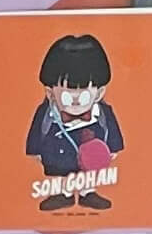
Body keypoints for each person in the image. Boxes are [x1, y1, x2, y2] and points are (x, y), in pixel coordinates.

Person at [26, 34, 123, 212]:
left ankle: (88, 193)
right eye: (67, 95)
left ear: (99, 93)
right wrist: (35, 150)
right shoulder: (46, 113)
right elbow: (36, 131)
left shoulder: (103, 113)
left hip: (90, 149)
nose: (76, 101)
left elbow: (112, 130)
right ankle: (62, 194)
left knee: (88, 173)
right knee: (60, 171)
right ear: (50, 93)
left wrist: (113, 148)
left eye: (84, 94)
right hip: (58, 151)